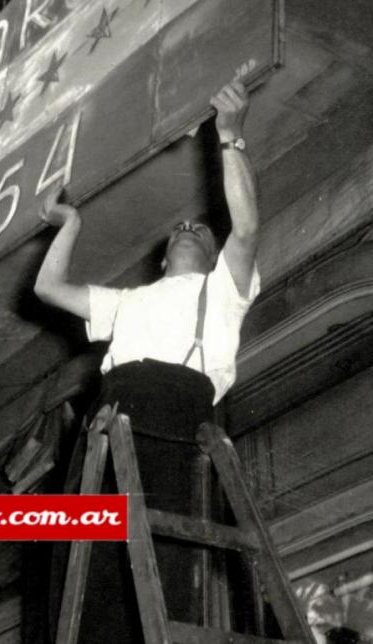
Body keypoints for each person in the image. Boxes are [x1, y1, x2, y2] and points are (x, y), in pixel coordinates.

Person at [35, 80, 260, 641]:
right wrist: (71, 225)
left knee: (154, 565)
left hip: (174, 412)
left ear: (212, 255)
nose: (188, 226)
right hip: (111, 412)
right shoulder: (128, 301)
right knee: (81, 559)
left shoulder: (225, 288)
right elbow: (49, 287)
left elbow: (248, 225)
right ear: (163, 258)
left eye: (200, 228)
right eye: (179, 229)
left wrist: (230, 140)